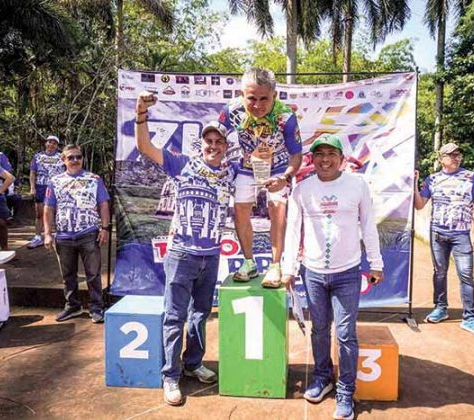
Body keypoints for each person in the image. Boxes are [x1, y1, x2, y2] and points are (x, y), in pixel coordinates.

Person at [136, 91, 237, 406]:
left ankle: (193, 363)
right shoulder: (182, 165)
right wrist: (141, 114)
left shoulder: (231, 173)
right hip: (181, 253)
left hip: (212, 254)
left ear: (226, 146)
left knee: (200, 314)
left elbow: (261, 173)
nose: (213, 145)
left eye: (218, 141)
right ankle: (170, 375)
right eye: (208, 140)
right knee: (174, 315)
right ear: (201, 144)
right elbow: (145, 147)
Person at [281, 134, 383, 420]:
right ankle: (322, 377)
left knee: (346, 333)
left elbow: (369, 225)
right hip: (313, 272)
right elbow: (293, 229)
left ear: (341, 158)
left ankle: (345, 390)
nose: (325, 159)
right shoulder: (302, 189)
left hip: (347, 272)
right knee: (319, 329)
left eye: (331, 154)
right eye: (319, 154)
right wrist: (289, 267)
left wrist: (376, 263)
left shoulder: (357, 185)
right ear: (312, 159)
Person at [219, 67, 302, 288]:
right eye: (251, 98)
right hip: (248, 165)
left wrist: (285, 177)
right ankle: (249, 262)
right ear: (241, 95)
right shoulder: (232, 110)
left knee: (277, 209)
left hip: (278, 167)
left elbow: (296, 155)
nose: (257, 105)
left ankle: (275, 265)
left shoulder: (286, 117)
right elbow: (215, 135)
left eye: (264, 98)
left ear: (275, 94)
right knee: (240, 210)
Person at [413, 142, 474, 338]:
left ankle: (470, 318)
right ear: (441, 159)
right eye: (451, 155)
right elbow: (419, 205)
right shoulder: (432, 179)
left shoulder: (471, 177)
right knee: (439, 272)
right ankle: (440, 308)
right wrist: (414, 183)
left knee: (466, 274)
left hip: (461, 234)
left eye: (458, 155)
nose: (456, 158)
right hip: (437, 233)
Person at [43, 144, 110, 324]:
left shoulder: (94, 179)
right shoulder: (55, 181)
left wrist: (105, 228)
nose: (75, 160)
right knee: (68, 274)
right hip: (64, 235)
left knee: (93, 273)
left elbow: (103, 204)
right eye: (70, 157)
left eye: (78, 157)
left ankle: (96, 307)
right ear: (63, 160)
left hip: (88, 233)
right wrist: (47, 233)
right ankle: (72, 306)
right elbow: (49, 208)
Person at [28, 134, 65, 248]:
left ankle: (59, 235)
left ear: (57, 145)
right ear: (46, 143)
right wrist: (32, 187)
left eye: (54, 143)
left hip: (57, 187)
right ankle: (38, 237)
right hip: (41, 186)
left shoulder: (61, 157)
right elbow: (33, 173)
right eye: (49, 142)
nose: (51, 145)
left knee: (57, 212)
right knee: (40, 213)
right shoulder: (38, 156)